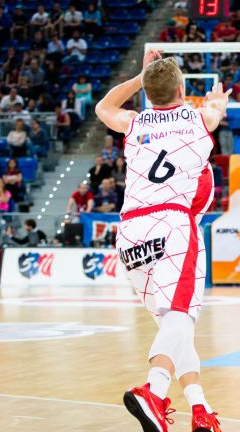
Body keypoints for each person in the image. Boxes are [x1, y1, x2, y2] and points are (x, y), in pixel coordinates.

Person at [95, 49, 228, 432]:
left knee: (176, 327)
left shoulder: (135, 123)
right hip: (172, 223)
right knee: (181, 318)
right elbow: (214, 112)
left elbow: (104, 106)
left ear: (148, 94)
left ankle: (200, 409)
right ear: (183, 89)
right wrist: (217, 102)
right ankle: (152, 392)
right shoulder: (201, 118)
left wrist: (140, 75)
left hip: (130, 232)